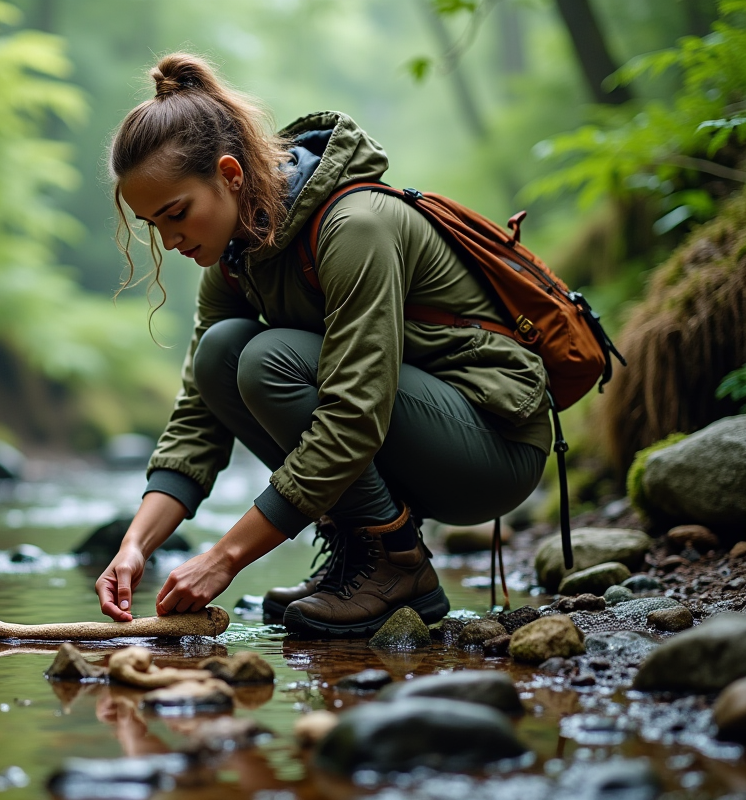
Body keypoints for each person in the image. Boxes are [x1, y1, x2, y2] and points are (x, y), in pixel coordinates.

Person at [95, 53, 550, 637]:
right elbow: (198, 417)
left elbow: (353, 416)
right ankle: (362, 555)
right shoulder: (236, 261)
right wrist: (136, 546)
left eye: (176, 213)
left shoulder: (354, 226)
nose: (170, 237)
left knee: (266, 360)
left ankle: (397, 563)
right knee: (221, 353)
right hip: (409, 433)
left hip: (491, 444)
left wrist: (225, 557)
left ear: (230, 175)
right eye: (152, 225)